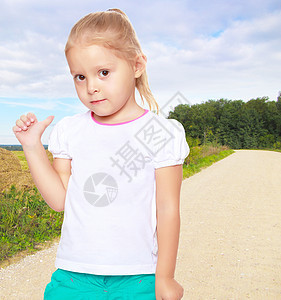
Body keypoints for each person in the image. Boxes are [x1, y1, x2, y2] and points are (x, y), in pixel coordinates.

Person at [13, 8, 189, 300]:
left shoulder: (160, 133)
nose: (91, 87)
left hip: (138, 278)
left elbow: (168, 209)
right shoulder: (70, 130)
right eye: (80, 77)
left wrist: (165, 276)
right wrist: (32, 146)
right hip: (73, 277)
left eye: (103, 73)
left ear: (137, 65)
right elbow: (60, 200)